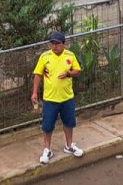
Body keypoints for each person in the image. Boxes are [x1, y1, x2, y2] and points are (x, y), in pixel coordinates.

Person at [30, 32, 84, 165]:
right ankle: (47, 149)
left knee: (69, 123)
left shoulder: (70, 56)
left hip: (67, 98)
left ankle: (69, 145)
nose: (54, 46)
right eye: (52, 44)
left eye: (57, 44)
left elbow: (78, 70)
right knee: (47, 126)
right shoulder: (44, 57)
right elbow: (37, 74)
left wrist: (68, 74)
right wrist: (34, 92)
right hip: (50, 99)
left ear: (63, 44)